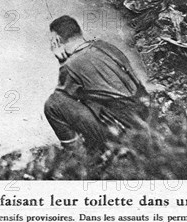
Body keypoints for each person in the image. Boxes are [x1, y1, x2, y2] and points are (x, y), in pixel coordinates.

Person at [44, 15, 147, 153]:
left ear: (57, 40)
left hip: (124, 130)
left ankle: (76, 154)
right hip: (143, 117)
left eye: (52, 40)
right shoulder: (104, 45)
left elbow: (63, 99)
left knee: (53, 105)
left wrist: (62, 61)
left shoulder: (71, 64)